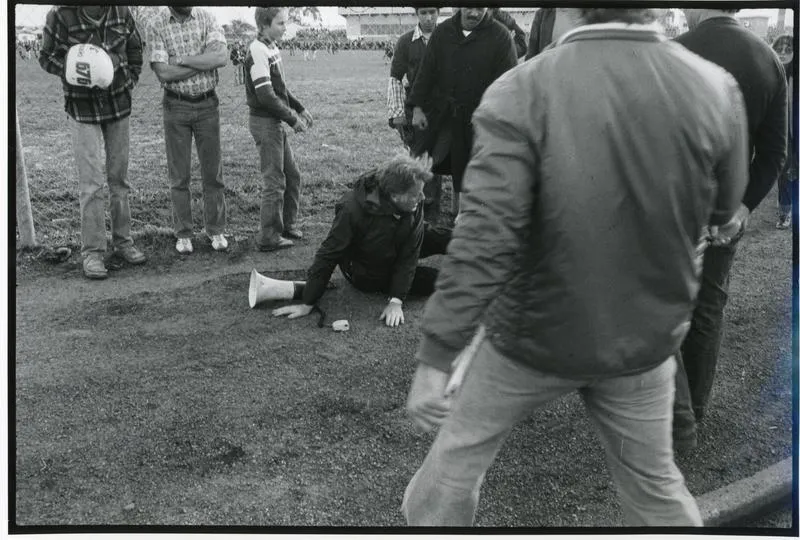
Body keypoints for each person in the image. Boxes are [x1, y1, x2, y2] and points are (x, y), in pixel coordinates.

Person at [402, 8, 749, 526]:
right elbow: (724, 212)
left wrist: (437, 355)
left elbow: (485, 238)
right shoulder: (715, 87)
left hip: (532, 337)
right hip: (644, 339)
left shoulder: (521, 89)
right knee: (656, 494)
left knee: (444, 482)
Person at [670, 9, 788, 451]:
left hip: (673, 203)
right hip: (726, 205)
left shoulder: (676, 51)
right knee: (708, 306)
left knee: (661, 303)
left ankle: (668, 411)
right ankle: (692, 416)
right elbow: (775, 150)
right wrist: (742, 208)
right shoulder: (768, 59)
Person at [272, 155, 451, 328]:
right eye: (415, 194)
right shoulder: (352, 210)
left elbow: (409, 254)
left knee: (446, 237)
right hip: (369, 270)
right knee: (439, 279)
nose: (422, 198)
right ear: (395, 195)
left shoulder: (412, 202)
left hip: (396, 239)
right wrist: (307, 302)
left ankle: (477, 249)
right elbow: (328, 254)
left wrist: (396, 300)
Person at [39, 5, 147, 280]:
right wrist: (74, 68)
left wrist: (130, 78)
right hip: (81, 107)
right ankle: (93, 253)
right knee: (90, 184)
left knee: (119, 180)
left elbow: (135, 49)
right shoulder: (60, 15)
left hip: (118, 104)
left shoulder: (121, 12)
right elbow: (46, 56)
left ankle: (123, 242)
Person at [408, 7, 517, 216]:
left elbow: (509, 87)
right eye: (469, 6)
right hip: (441, 117)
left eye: (480, 7)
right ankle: (415, 213)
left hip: (480, 121)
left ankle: (463, 219)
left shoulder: (500, 36)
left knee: (471, 173)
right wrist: (417, 107)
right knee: (421, 164)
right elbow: (426, 72)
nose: (474, 13)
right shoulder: (443, 33)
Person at [145, 6, 229, 255]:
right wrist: (202, 61)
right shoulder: (156, 23)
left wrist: (181, 60)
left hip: (207, 104)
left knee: (213, 173)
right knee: (179, 176)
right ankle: (183, 234)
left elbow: (220, 58)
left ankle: (216, 230)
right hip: (176, 105)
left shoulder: (206, 17)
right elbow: (163, 72)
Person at [245, 7, 313, 252]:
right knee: (274, 180)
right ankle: (269, 236)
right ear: (264, 25)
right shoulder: (257, 49)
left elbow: (280, 89)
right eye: (281, 23)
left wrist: (299, 107)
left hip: (274, 120)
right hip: (265, 122)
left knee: (292, 175)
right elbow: (265, 95)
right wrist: (292, 119)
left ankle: (286, 224)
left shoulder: (271, 47)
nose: (285, 27)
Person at [387, 7, 443, 221]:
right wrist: (398, 114)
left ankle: (434, 212)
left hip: (442, 111)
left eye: (433, 12)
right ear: (417, 14)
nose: (429, 18)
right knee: (418, 159)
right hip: (416, 111)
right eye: (424, 13)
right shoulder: (405, 42)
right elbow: (395, 78)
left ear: (439, 12)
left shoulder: (446, 37)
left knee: (437, 161)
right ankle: (417, 212)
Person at [772, 33, 795, 230]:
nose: (783, 52)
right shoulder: (771, 73)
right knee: (786, 172)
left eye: (788, 49)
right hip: (782, 133)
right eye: (779, 49)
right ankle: (785, 213)